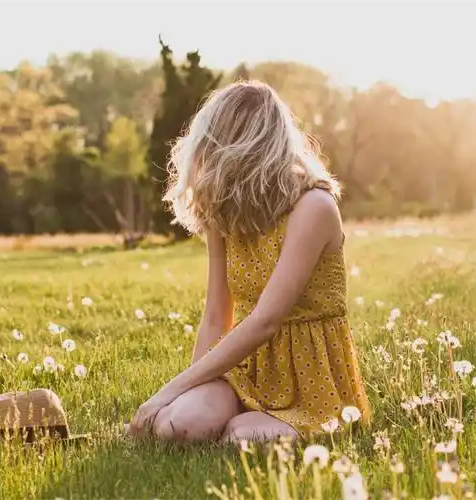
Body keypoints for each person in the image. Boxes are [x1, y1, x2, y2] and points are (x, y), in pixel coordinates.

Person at [128, 80, 372, 443]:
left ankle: (254, 424)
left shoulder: (314, 208)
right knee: (179, 426)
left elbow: (265, 321)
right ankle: (218, 414)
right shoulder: (223, 208)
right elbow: (216, 314)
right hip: (246, 367)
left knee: (240, 437)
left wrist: (166, 392)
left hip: (311, 381)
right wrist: (190, 391)